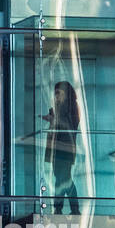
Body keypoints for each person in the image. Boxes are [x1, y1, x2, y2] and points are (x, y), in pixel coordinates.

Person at [43, 81, 80, 215]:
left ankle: (61, 209)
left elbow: (70, 126)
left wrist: (53, 119)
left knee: (64, 179)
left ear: (67, 94)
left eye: (59, 93)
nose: (56, 96)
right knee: (62, 179)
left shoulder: (72, 109)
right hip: (57, 149)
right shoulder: (57, 109)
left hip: (65, 149)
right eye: (55, 93)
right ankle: (69, 209)